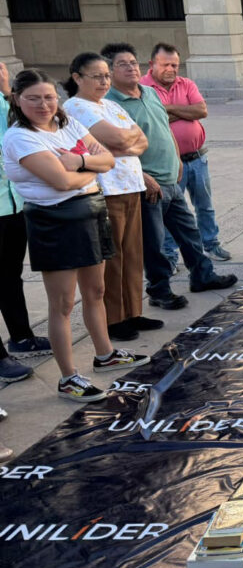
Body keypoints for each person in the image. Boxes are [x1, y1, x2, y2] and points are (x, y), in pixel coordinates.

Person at [1, 68, 150, 402]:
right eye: (33, 98)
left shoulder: (67, 124)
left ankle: (105, 353)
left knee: (96, 290)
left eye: (49, 97)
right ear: (17, 100)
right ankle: (68, 377)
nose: (43, 105)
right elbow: (60, 183)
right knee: (63, 304)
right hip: (54, 219)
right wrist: (89, 168)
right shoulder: (20, 137)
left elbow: (109, 159)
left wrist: (77, 161)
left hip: (91, 211)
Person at [103, 43, 237, 309]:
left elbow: (166, 130)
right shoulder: (109, 104)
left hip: (171, 178)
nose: (131, 67)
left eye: (133, 62)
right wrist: (144, 177)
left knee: (189, 233)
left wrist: (176, 162)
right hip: (148, 184)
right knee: (154, 243)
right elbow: (115, 150)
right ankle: (160, 290)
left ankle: (202, 275)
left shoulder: (149, 93)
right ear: (109, 70)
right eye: (123, 64)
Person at [63, 52, 162, 343]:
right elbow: (120, 139)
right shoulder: (76, 106)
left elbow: (141, 140)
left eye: (107, 75)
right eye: (97, 76)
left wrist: (123, 143)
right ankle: (114, 317)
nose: (104, 81)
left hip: (130, 185)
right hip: (106, 189)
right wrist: (123, 141)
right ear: (78, 78)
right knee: (113, 255)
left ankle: (133, 311)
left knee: (133, 253)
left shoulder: (110, 105)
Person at [141, 43, 232, 268]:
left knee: (205, 205)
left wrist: (169, 108)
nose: (171, 69)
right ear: (152, 64)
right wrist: (183, 111)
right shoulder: (143, 88)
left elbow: (201, 111)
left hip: (198, 158)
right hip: (169, 164)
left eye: (175, 65)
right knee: (171, 212)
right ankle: (170, 255)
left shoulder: (186, 84)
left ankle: (211, 244)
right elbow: (154, 121)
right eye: (166, 65)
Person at [0, 62, 51, 380]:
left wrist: (7, 91)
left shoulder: (5, 100)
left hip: (14, 201)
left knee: (9, 273)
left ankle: (21, 337)